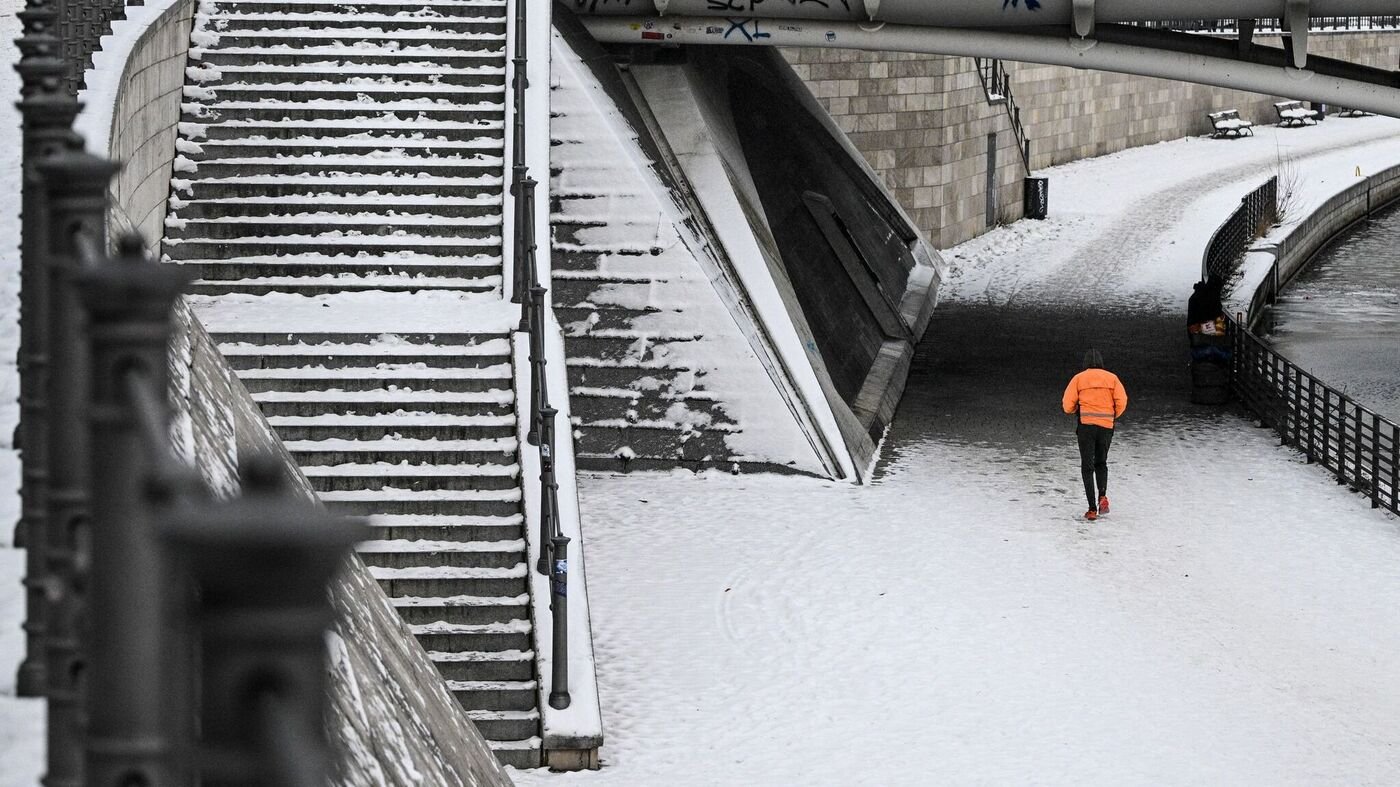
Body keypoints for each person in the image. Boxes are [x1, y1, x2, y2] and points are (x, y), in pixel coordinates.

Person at [1061, 349, 1128, 521]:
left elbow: (1067, 405)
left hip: (1086, 426)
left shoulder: (1078, 378)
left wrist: (1078, 409)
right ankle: (1102, 496)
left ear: (1085, 364)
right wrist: (1112, 416)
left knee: (1087, 466)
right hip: (1106, 426)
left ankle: (1091, 509)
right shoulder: (1113, 378)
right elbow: (1122, 401)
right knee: (1101, 462)